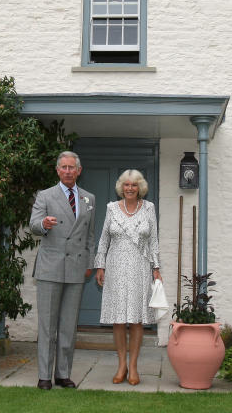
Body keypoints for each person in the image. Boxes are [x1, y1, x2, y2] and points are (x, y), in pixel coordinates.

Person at [29, 151, 96, 390]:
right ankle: (44, 376)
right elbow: (33, 225)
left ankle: (63, 374)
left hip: (77, 269)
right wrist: (43, 225)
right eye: (64, 167)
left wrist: (90, 263)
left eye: (72, 167)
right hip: (51, 268)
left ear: (79, 171)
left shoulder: (89, 198)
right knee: (48, 325)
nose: (68, 171)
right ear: (58, 170)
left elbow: (89, 237)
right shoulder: (45, 196)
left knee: (68, 325)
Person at [93, 169, 162, 386]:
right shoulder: (111, 208)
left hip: (140, 267)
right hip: (115, 267)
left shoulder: (149, 208)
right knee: (119, 320)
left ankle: (133, 367)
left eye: (134, 185)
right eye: (126, 185)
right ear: (121, 188)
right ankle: (121, 365)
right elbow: (104, 239)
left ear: (140, 187)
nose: (130, 188)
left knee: (137, 319)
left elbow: (154, 240)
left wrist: (156, 268)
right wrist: (100, 265)